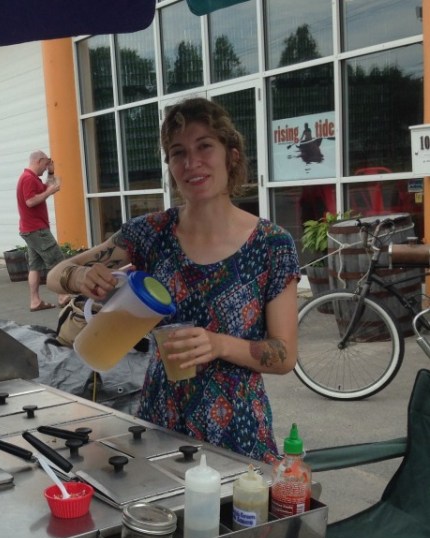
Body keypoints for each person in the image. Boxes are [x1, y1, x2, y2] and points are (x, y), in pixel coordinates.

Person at [47, 98, 300, 463]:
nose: (191, 162)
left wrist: (218, 344)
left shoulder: (272, 245)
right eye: (177, 152)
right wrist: (81, 275)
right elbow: (56, 275)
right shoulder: (152, 233)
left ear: (231, 154)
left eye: (204, 146)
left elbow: (283, 355)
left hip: (237, 431)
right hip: (159, 420)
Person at [17, 150, 70, 311]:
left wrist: (52, 172)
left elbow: (48, 186)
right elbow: (30, 202)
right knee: (57, 261)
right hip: (36, 230)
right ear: (39, 161)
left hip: (30, 229)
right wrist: (49, 192)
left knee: (35, 266)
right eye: (46, 164)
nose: (46, 168)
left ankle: (35, 301)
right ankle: (63, 296)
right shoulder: (28, 179)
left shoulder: (32, 178)